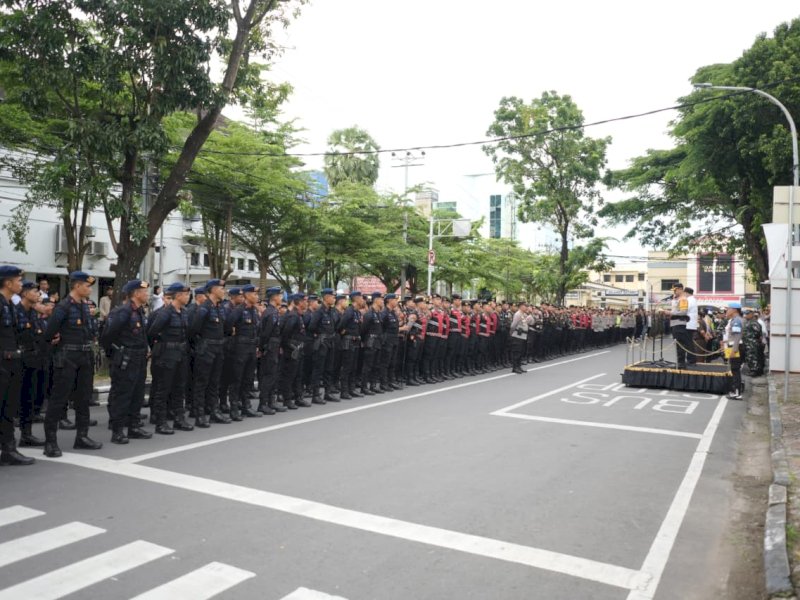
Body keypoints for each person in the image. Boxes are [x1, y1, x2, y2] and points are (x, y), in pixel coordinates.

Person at [43, 271, 102, 457]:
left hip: (84, 356)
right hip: (67, 357)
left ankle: (82, 437)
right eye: (87, 285)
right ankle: (50, 442)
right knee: (59, 400)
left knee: (83, 398)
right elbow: (49, 332)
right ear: (77, 286)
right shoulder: (64, 306)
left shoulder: (85, 306)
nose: (89, 289)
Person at [101, 279, 152, 444]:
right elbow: (107, 336)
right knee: (123, 395)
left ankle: (133, 427)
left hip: (139, 358)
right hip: (126, 358)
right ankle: (117, 431)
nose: (148, 295)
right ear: (136, 293)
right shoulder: (123, 311)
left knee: (137, 394)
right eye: (145, 292)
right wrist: (115, 355)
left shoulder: (139, 311)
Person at [146, 282, 194, 434]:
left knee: (179, 388)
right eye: (185, 294)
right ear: (178, 296)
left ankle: (179, 418)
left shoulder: (184, 312)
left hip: (181, 354)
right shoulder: (165, 312)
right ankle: (160, 422)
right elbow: (152, 332)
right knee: (163, 389)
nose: (188, 297)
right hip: (166, 355)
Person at [0, 266, 35, 465]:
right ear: (7, 282)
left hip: (11, 363)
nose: (20, 283)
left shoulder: (10, 305)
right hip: (2, 363)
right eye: (18, 280)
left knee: (8, 407)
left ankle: (8, 449)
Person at [189, 279, 230, 427]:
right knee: (201, 383)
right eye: (220, 288)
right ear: (212, 290)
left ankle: (214, 411)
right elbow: (194, 330)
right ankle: (199, 414)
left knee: (215, 382)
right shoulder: (204, 308)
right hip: (206, 350)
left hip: (218, 349)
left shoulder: (219, 307)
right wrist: (200, 346)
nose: (223, 291)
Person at [224, 284, 263, 419]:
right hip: (239, 349)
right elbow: (228, 326)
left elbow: (257, 329)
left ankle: (246, 406)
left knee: (248, 379)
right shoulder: (238, 310)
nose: (256, 297)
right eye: (254, 294)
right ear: (246, 295)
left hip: (251, 348)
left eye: (257, 294)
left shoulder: (254, 311)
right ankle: (234, 408)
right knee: (237, 379)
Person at [15, 280, 46, 447]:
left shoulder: (33, 313)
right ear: (25, 293)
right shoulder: (15, 312)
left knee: (29, 398)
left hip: (34, 361)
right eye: (35, 291)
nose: (38, 295)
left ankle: (26, 434)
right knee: (15, 400)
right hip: (18, 362)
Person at [257, 287, 287, 414]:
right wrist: (263, 348)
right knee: (268, 375)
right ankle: (263, 403)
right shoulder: (270, 313)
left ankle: (271, 401)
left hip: (274, 346)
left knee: (273, 375)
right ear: (274, 297)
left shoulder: (274, 311)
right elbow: (265, 334)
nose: (281, 298)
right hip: (270, 347)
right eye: (279, 296)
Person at [307, 288, 338, 403]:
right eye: (332, 296)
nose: (334, 298)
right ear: (326, 297)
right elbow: (311, 327)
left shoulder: (331, 311)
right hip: (322, 343)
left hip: (330, 343)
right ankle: (315, 395)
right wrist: (319, 336)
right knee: (318, 369)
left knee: (329, 369)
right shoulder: (319, 312)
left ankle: (327, 393)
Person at [279, 293, 308, 408]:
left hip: (298, 349)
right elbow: (286, 333)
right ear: (299, 302)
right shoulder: (293, 316)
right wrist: (288, 346)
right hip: (292, 350)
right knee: (290, 375)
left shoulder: (299, 315)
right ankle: (287, 399)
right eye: (304, 300)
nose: (306, 302)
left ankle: (298, 397)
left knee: (298, 375)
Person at [724, 302, 745, 399]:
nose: (727, 311)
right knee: (734, 369)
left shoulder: (736, 320)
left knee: (735, 370)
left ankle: (737, 392)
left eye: (728, 309)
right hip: (733, 346)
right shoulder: (734, 320)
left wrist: (734, 350)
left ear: (734, 310)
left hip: (736, 347)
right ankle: (735, 390)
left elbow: (737, 337)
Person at [510, 301, 532, 374]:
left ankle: (518, 366)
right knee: (517, 352)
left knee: (521, 352)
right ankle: (515, 367)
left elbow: (532, 322)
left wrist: (530, 315)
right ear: (521, 306)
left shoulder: (524, 314)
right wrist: (511, 333)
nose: (526, 307)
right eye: (525, 306)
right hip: (517, 336)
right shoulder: (518, 314)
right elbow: (513, 325)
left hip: (523, 336)